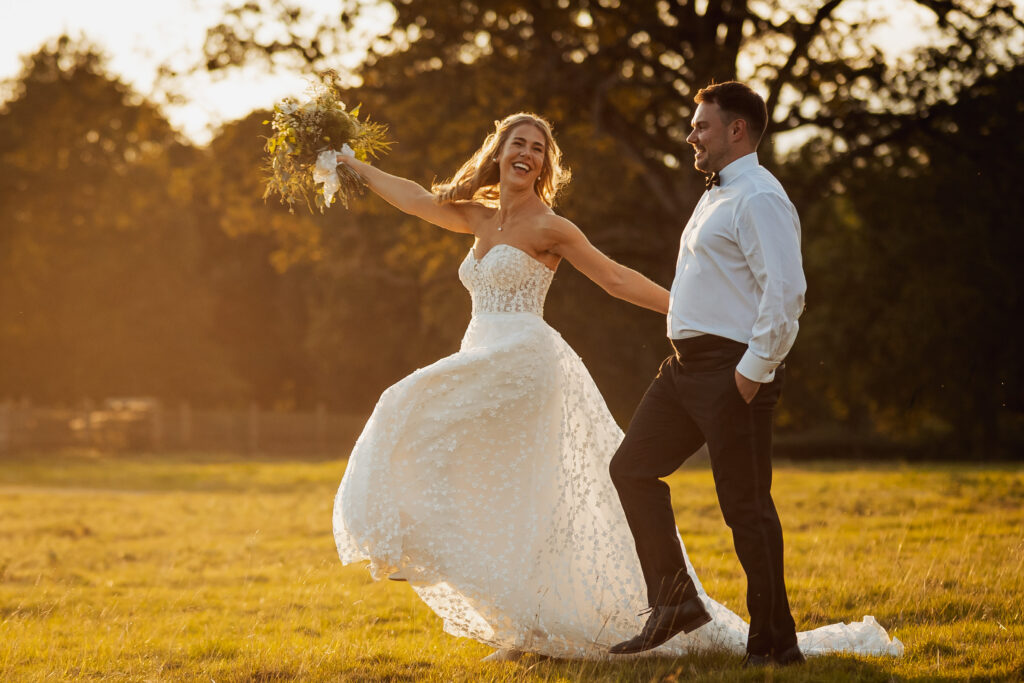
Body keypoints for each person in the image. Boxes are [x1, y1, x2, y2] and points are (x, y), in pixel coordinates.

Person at [331, 111, 903, 662]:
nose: (526, 154)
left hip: (522, 358)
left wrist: (685, 311)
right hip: (480, 349)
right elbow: (413, 197)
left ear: (545, 165)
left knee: (403, 401)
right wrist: (353, 164)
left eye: (537, 148)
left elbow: (614, 277)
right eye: (518, 144)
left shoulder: (550, 227)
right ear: (498, 153)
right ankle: (517, 609)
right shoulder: (477, 216)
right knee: (516, 490)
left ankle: (399, 535)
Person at [607, 81, 807, 667]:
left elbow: (786, 291)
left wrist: (750, 374)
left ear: (736, 129)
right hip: (683, 372)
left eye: (701, 125)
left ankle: (775, 645)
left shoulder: (760, 198)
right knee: (632, 469)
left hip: (732, 370)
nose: (691, 133)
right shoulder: (715, 193)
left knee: (745, 509)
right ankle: (674, 603)